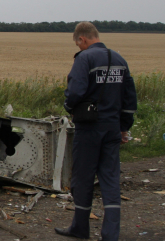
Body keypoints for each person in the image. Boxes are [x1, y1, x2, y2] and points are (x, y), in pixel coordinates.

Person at [56, 22, 137, 240]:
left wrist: (69, 107)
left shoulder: (85, 58)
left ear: (82, 39)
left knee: (82, 178)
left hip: (89, 127)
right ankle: (110, 234)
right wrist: (124, 127)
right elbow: (129, 99)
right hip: (112, 128)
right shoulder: (119, 59)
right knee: (110, 180)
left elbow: (75, 92)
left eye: (78, 44)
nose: (79, 47)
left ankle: (80, 228)